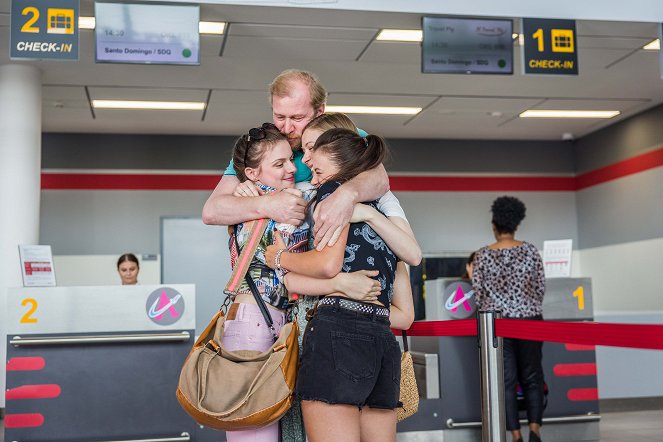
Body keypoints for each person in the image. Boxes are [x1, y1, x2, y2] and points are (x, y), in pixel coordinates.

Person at [223, 123, 382, 442]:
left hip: (263, 322)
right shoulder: (277, 206)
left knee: (262, 428)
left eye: (289, 161)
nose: (291, 169)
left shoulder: (252, 201)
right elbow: (282, 276)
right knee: (256, 430)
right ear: (253, 174)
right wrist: (342, 285)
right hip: (254, 323)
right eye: (278, 164)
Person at [265, 128, 413, 442]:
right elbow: (410, 267)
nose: (313, 178)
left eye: (316, 169)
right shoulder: (382, 214)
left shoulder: (333, 194)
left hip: (338, 333)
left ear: (341, 169)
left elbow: (326, 264)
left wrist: (278, 257)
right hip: (383, 341)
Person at [202, 69, 390, 251]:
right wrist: (267, 204)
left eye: (297, 117)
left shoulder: (344, 136)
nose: (286, 128)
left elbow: (380, 181)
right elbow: (211, 211)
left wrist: (345, 196)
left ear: (320, 112)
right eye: (280, 116)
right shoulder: (262, 147)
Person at [471, 196, 546, 442]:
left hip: (497, 326)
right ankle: (535, 430)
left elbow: (480, 296)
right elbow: (539, 289)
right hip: (529, 322)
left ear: (494, 225)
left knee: (505, 382)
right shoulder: (530, 251)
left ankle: (515, 435)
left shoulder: (482, 256)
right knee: (533, 376)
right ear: (516, 224)